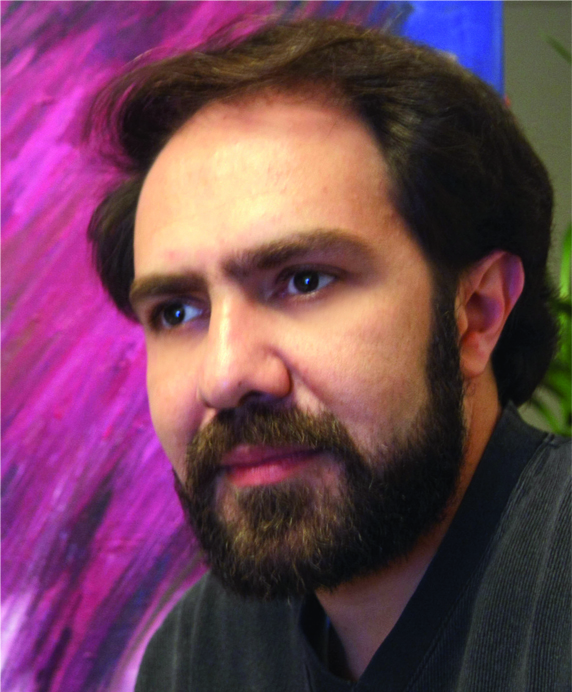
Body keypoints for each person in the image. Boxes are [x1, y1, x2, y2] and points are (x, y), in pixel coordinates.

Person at [86, 20, 570, 692]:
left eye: (304, 280)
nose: (224, 375)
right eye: (177, 312)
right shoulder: (201, 652)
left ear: (477, 314)